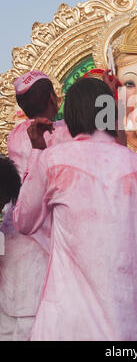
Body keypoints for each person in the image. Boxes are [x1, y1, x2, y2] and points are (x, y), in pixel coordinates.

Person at [13, 77, 137, 341]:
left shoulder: (52, 160)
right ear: (110, 115)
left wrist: (37, 152)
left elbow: (23, 221)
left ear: (69, 117)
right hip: (124, 327)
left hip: (66, 325)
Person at [0, 70, 71, 341]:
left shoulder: (16, 134)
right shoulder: (63, 133)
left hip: (12, 241)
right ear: (54, 99)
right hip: (43, 240)